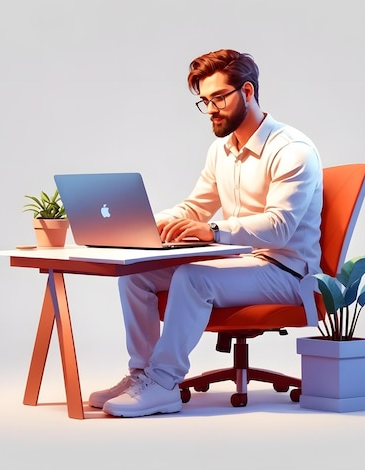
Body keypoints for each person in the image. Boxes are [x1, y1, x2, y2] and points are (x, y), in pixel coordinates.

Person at [90, 49, 323, 417]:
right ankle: (142, 376)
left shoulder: (292, 151)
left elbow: (280, 228)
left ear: (247, 92)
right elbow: (196, 207)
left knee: (194, 277)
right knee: (136, 276)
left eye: (218, 98)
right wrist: (147, 225)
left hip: (288, 271)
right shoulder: (223, 150)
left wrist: (213, 231)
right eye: (204, 101)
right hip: (245, 262)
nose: (211, 108)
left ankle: (164, 383)